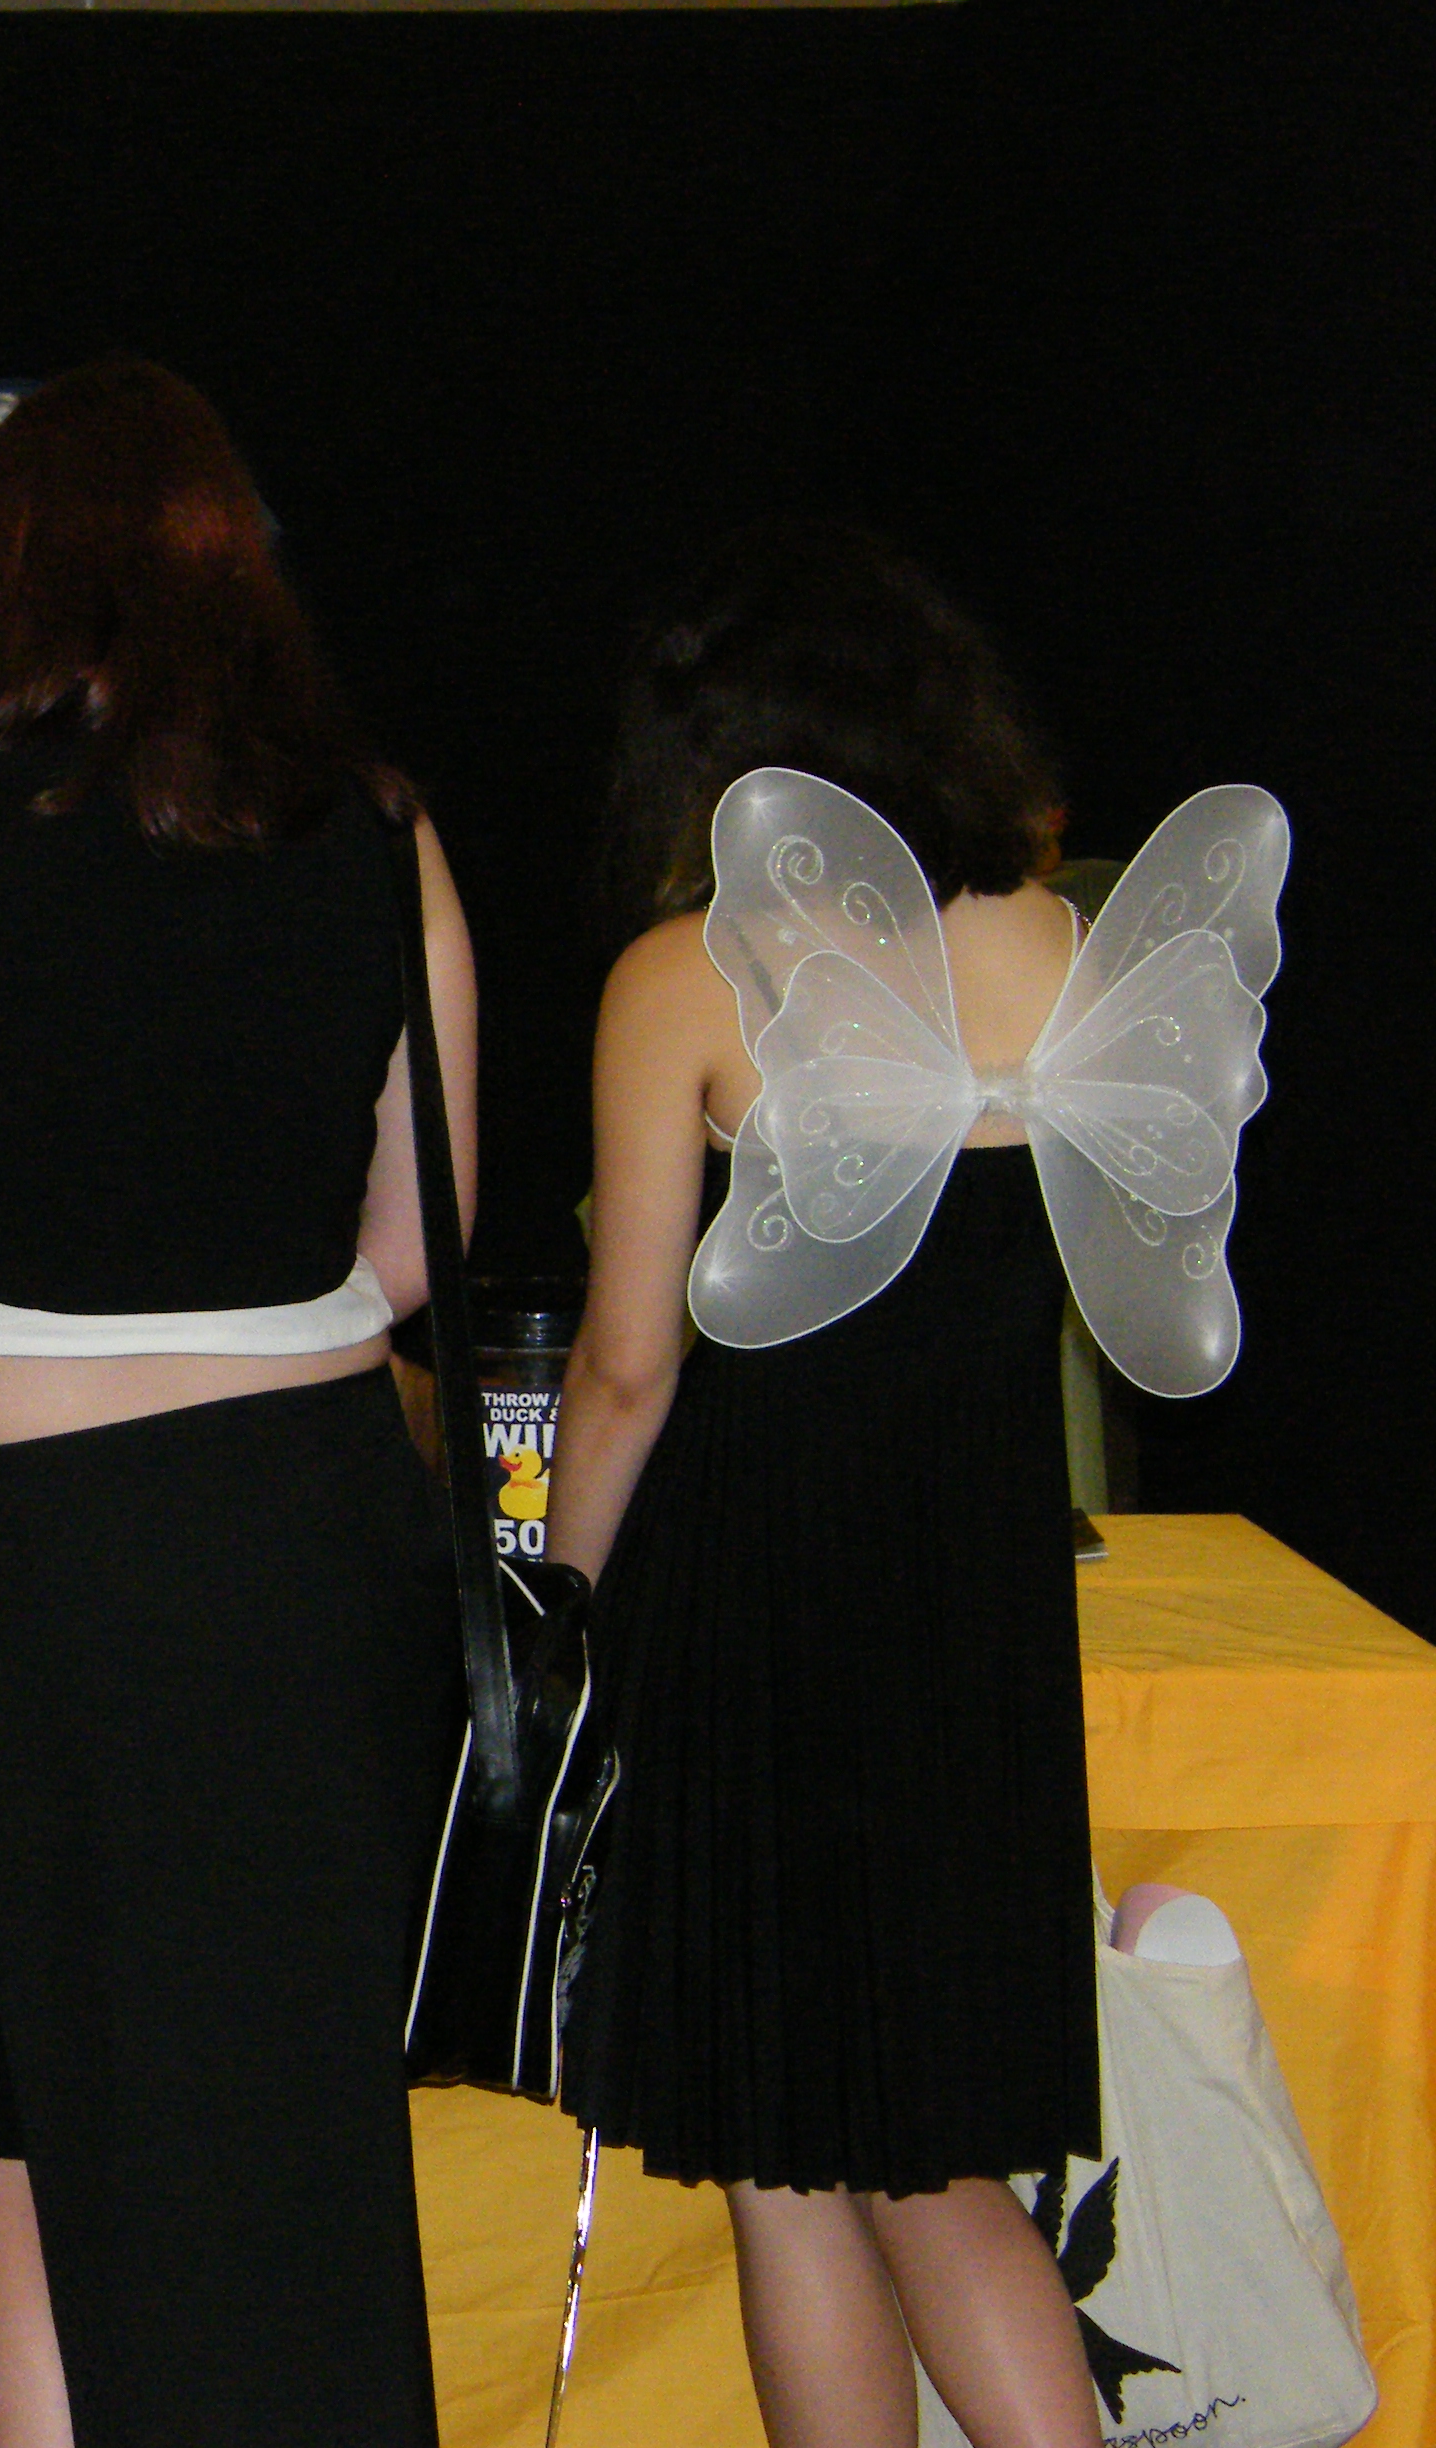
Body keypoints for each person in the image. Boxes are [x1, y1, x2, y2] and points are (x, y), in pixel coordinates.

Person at [0, 360, 478, 2448]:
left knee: (28, 2096)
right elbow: (420, 1247)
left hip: (44, 1566)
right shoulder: (382, 826)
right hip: (309, 1539)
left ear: (5, 568)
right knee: (297, 2109)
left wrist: (30, 1322)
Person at [549, 523, 1108, 2448]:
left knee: (822, 2168)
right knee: (901, 2151)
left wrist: (558, 1611)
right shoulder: (1054, 944)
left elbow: (627, 1365)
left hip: (768, 1610)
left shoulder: (693, 974)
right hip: (982, 1600)